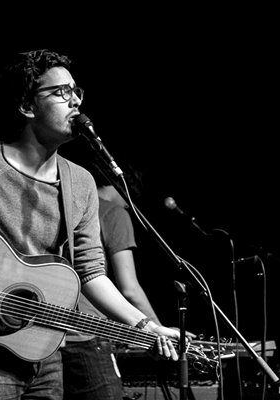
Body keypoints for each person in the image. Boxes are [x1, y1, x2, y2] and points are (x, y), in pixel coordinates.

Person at [0, 48, 179, 400]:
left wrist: (146, 326)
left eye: (76, 91)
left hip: (42, 347)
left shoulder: (81, 183)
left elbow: (91, 272)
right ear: (28, 106)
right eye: (60, 92)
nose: (75, 101)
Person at [60, 162, 183, 399]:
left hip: (49, 333)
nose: (128, 204)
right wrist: (159, 330)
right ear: (122, 188)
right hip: (87, 333)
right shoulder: (114, 212)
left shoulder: (70, 203)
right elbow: (129, 288)